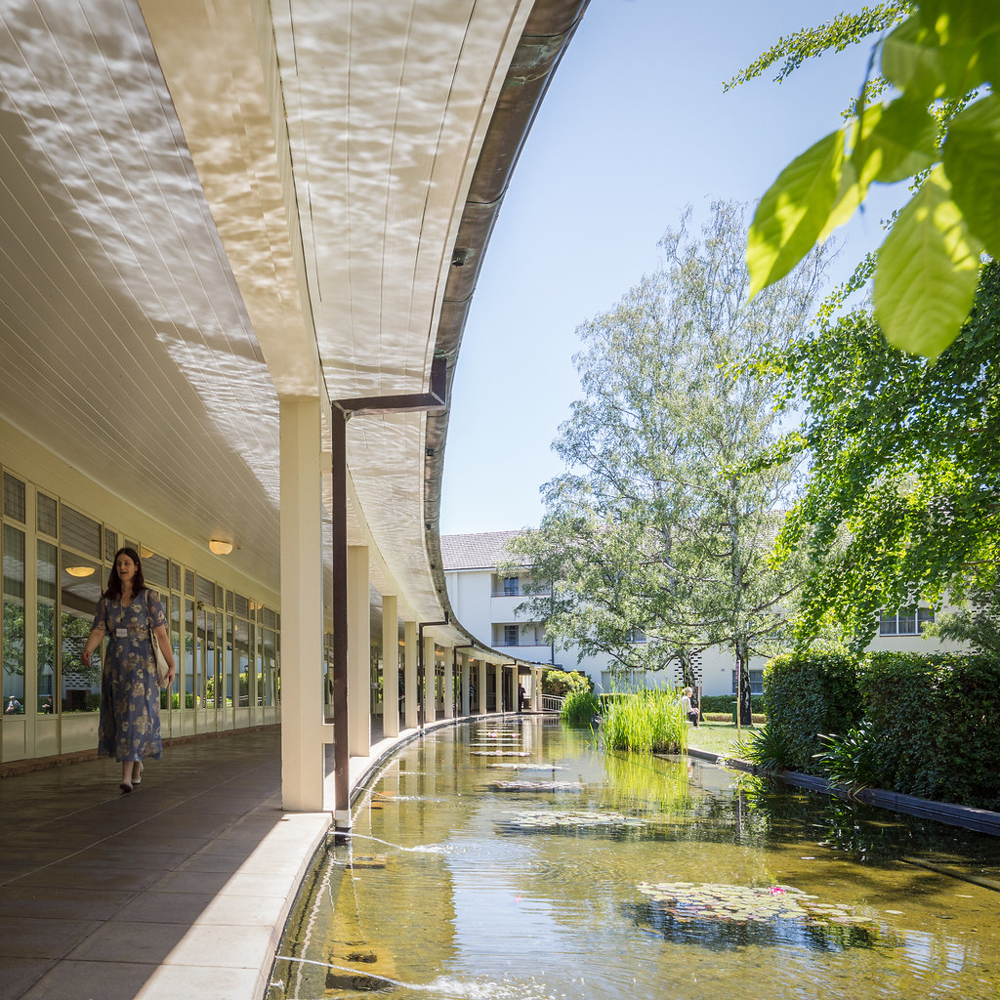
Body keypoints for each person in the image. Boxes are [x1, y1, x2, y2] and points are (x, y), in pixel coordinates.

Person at [83, 547, 176, 793]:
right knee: (121, 715)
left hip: (142, 666)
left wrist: (171, 663)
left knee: (135, 716)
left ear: (136, 566)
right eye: (118, 564)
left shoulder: (148, 597)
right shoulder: (107, 600)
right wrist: (88, 649)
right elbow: (99, 630)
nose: (122, 567)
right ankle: (136, 764)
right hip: (116, 665)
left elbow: (161, 633)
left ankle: (126, 775)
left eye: (127, 563)